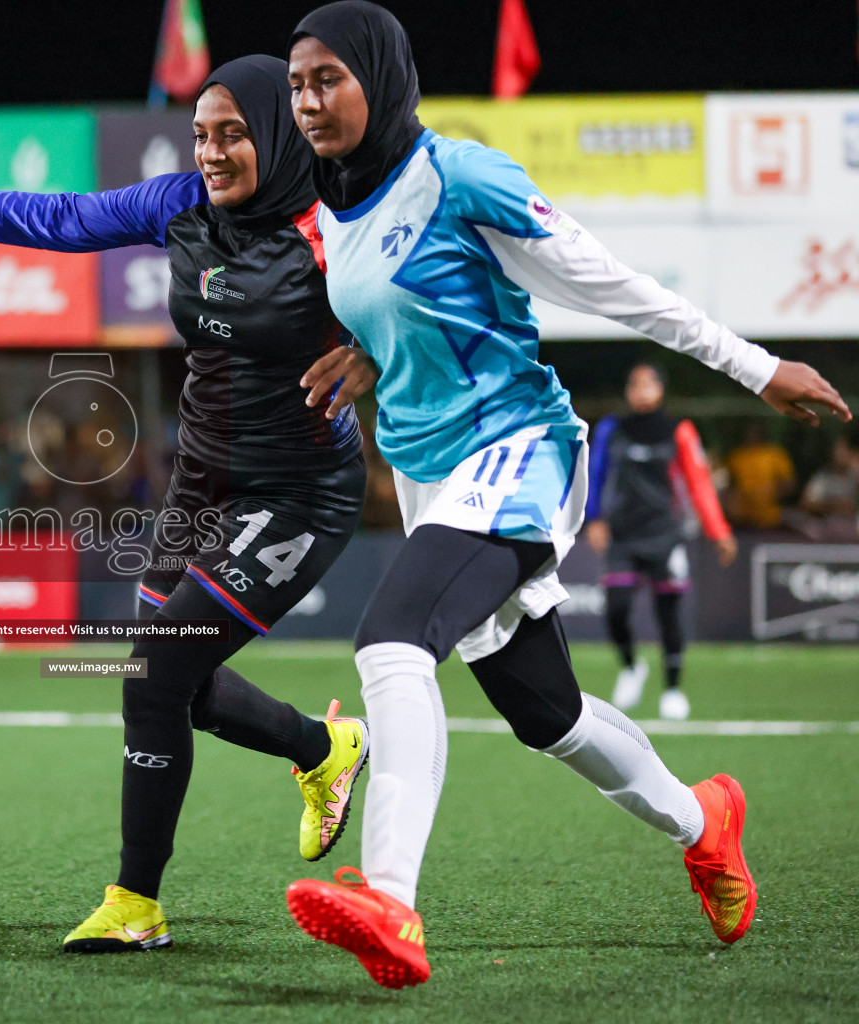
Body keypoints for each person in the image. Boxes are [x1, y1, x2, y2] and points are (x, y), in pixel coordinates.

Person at [279, 1, 850, 989]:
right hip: (428, 476)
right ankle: (702, 819)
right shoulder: (332, 208)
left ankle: (393, 902)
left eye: (328, 76)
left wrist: (755, 368)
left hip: (515, 452)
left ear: (382, 73)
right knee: (548, 714)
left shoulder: (461, 177)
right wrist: (376, 353)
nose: (308, 99)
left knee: (390, 638)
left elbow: (611, 284)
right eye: (296, 84)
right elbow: (417, 313)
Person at [0, 56, 379, 952]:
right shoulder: (178, 206)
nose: (212, 151)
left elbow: (447, 296)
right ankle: (323, 751)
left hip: (300, 494)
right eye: (202, 133)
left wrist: (378, 351)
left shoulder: (341, 222)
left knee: (153, 672)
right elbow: (59, 217)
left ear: (278, 135)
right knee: (179, 691)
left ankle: (136, 902)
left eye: (234, 133)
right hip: (201, 481)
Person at [585, 363, 736, 721]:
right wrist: (593, 519)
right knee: (616, 607)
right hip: (623, 534)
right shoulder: (612, 429)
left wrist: (719, 531)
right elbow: (594, 472)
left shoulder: (679, 431)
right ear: (627, 391)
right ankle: (631, 665)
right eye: (634, 383)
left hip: (666, 534)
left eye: (649, 383)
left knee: (668, 613)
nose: (641, 389)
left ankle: (672, 690)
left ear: (661, 390)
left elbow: (699, 482)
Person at [724, 421, 796, 530]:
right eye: (750, 433)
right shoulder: (736, 456)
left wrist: (769, 493)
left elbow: (789, 484)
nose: (753, 436)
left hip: (770, 518)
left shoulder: (775, 454)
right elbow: (727, 485)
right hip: (741, 519)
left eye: (756, 433)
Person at [797, 435, 859, 539]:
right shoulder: (823, 478)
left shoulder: (855, 476)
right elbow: (806, 504)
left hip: (852, 532)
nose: (840, 455)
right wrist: (832, 505)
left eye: (844, 451)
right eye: (837, 451)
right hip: (827, 530)